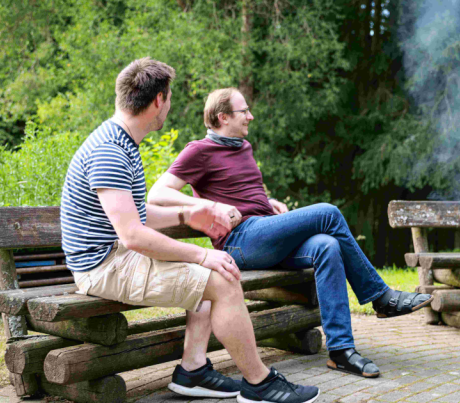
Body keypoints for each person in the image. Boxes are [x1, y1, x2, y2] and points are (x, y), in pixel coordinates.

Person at [60, 59, 320, 403]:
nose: (169, 106)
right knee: (223, 279)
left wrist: (188, 215)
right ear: (158, 100)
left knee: (210, 270)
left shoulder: (122, 141)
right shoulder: (110, 151)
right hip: (103, 267)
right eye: (169, 99)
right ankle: (260, 385)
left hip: (114, 257)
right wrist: (202, 253)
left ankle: (192, 371)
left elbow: (137, 214)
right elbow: (133, 235)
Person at [149, 88, 434, 379]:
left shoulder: (242, 147)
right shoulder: (199, 150)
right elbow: (157, 194)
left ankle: (341, 352)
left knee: (327, 246)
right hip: (239, 243)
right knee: (328, 212)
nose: (251, 115)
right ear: (222, 117)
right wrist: (211, 206)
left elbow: (242, 190)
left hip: (262, 234)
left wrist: (266, 201)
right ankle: (381, 297)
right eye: (243, 111)